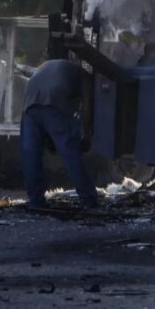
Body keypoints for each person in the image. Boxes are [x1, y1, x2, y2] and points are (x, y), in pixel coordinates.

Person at [20, 59, 98, 210]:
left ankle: (36, 201)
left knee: (30, 153)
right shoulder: (86, 77)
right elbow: (86, 107)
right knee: (70, 153)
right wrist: (86, 135)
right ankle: (88, 198)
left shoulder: (57, 65)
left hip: (30, 98)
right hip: (54, 97)